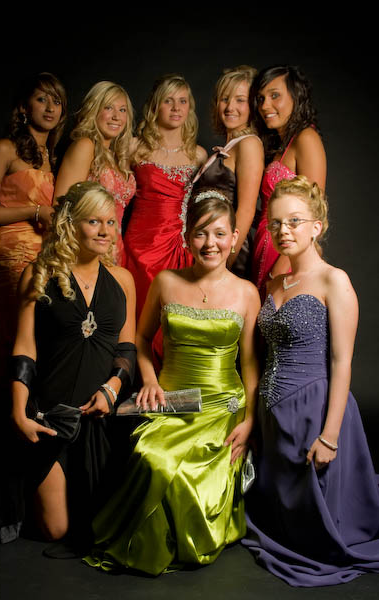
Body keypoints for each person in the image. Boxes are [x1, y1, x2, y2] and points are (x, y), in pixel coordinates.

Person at [84, 189, 260, 575]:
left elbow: (249, 363)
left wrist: (250, 421)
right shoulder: (165, 281)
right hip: (171, 399)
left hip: (222, 406)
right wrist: (150, 381)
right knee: (152, 457)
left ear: (233, 238)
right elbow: (141, 338)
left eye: (219, 233)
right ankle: (143, 544)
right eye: (201, 233)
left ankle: (183, 543)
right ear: (186, 237)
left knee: (186, 475)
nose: (210, 243)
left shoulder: (247, 293)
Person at [242, 176, 379, 586]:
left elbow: (342, 361)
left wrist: (330, 435)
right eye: (276, 223)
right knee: (282, 516)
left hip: (314, 410)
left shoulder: (335, 280)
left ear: (316, 226)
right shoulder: (273, 284)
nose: (283, 231)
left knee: (318, 528)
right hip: (274, 415)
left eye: (294, 221)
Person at [0, 182, 136, 545]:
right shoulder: (39, 274)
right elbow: (24, 347)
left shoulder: (123, 280)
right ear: (71, 224)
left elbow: (127, 349)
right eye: (94, 221)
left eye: (110, 222)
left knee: (99, 529)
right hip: (50, 417)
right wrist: (18, 413)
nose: (105, 231)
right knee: (56, 529)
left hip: (99, 417)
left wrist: (111, 390)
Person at [0, 72, 67, 417]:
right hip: (9, 249)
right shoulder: (6, 148)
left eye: (56, 101)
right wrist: (33, 211)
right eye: (42, 99)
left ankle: (26, 415)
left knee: (36, 334)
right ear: (25, 107)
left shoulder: (53, 155)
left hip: (43, 252)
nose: (50, 107)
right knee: (8, 334)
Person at [123, 73, 207, 320]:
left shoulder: (199, 155)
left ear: (189, 107)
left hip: (179, 245)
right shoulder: (134, 147)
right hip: (140, 243)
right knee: (139, 311)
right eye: (168, 101)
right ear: (155, 105)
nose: (176, 108)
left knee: (176, 312)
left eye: (182, 101)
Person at [249, 65, 327, 297]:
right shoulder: (278, 146)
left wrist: (281, 268)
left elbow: (314, 209)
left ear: (296, 97)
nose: (265, 106)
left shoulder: (306, 138)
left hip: (287, 253)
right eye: (261, 98)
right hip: (265, 244)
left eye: (275, 96)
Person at [192, 65, 264, 277]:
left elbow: (247, 210)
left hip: (230, 250)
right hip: (211, 244)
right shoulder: (228, 146)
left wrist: (226, 261)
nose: (230, 107)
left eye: (240, 100)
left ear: (253, 105)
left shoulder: (249, 144)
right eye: (225, 99)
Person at [54, 81, 136, 265]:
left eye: (122, 110)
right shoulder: (85, 146)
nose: (116, 116)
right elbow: (60, 209)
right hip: (86, 249)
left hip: (116, 249)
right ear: (94, 110)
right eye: (108, 108)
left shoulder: (117, 157)